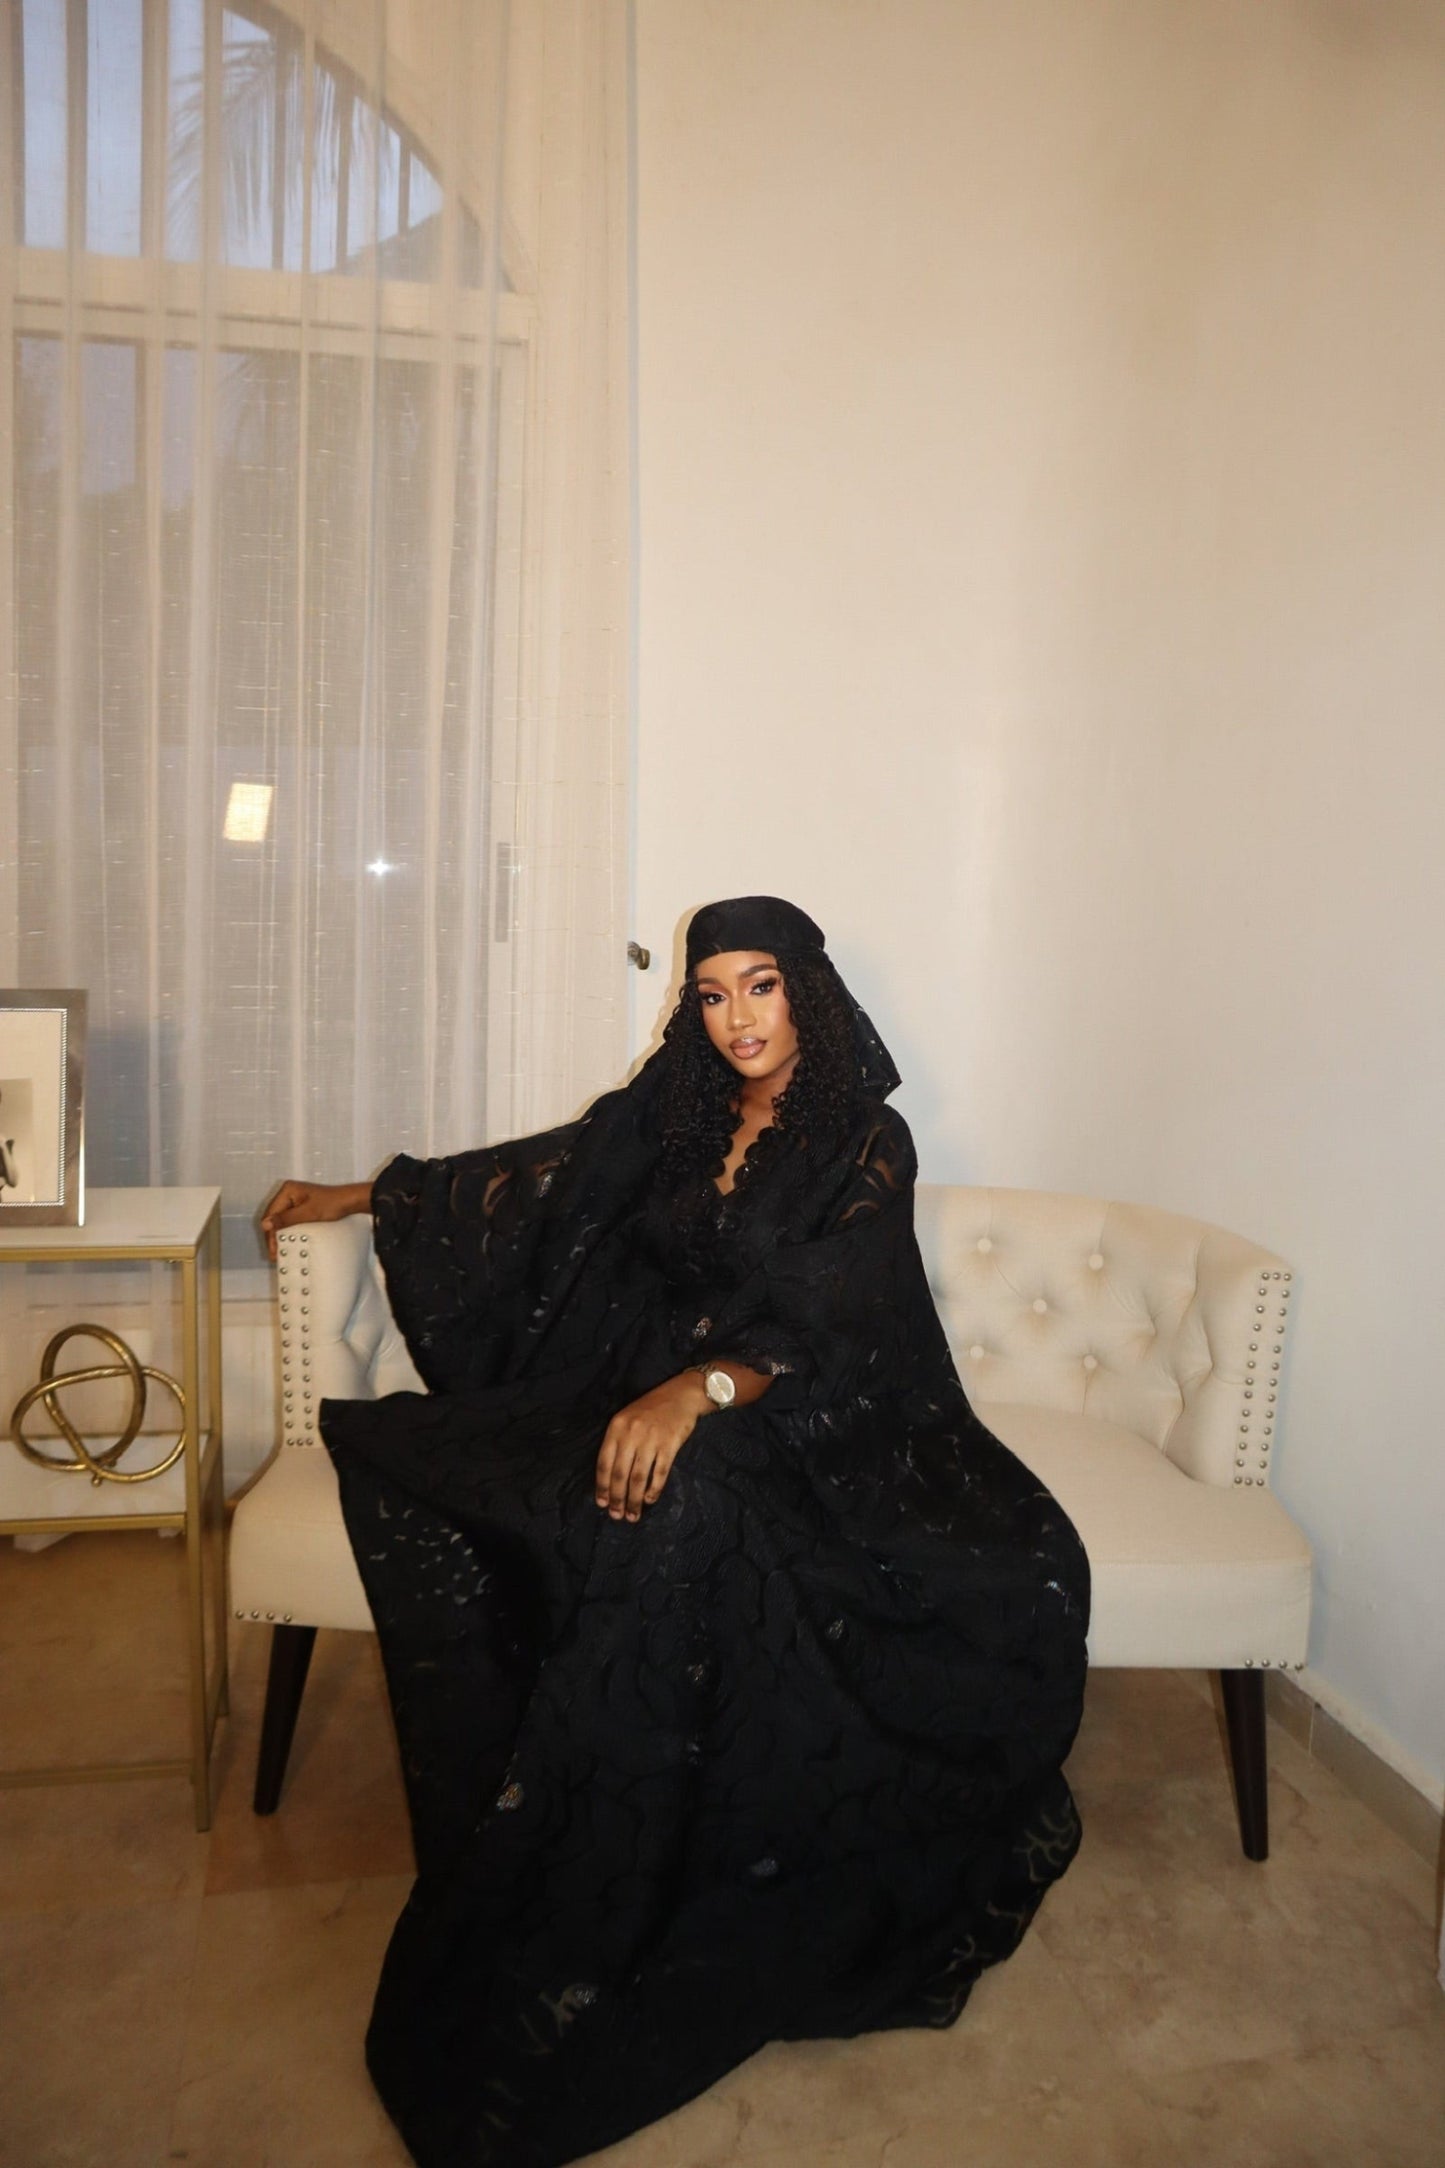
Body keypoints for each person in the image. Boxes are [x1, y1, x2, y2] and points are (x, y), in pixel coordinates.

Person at [261, 896, 1089, 2168]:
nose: (736, 1017)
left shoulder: (867, 1136)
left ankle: (649, 1840)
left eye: (759, 986)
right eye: (710, 993)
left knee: (676, 1509)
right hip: (651, 1388)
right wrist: (365, 1191)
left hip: (815, 1425)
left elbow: (830, 1313)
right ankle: (592, 1803)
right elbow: (538, 1174)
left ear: (806, 992)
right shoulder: (678, 1110)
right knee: (502, 1480)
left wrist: (697, 1389)